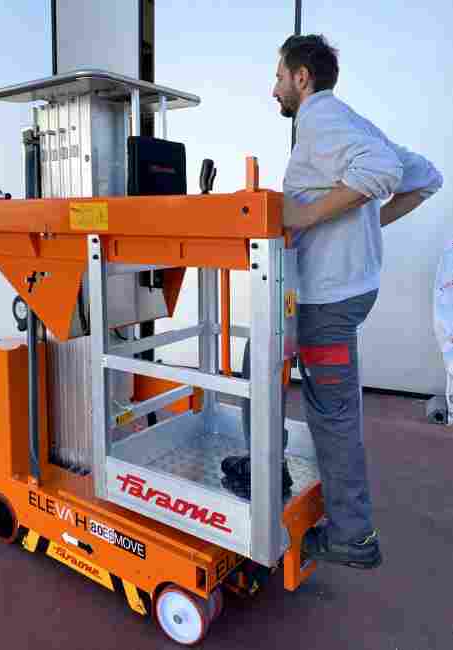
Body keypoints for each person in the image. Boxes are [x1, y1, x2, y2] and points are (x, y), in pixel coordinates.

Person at [221, 34, 443, 569]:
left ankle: (353, 536)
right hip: (329, 294)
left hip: (325, 301)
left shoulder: (320, 119)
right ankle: (265, 463)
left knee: (332, 411)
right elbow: (425, 178)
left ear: (302, 78)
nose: (274, 88)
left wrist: (304, 216)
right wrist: (363, 226)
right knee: (259, 365)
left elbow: (385, 173)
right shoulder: (352, 122)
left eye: (279, 77)